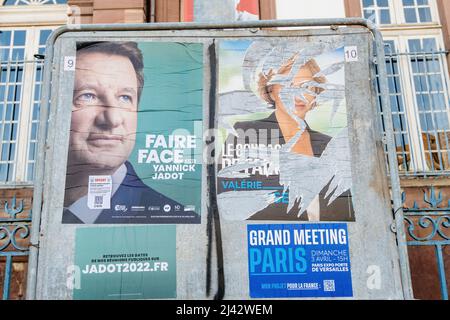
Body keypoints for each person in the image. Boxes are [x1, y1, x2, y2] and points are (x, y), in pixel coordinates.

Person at [62, 41, 198, 224]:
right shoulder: (44, 209)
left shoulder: (180, 222)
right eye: (88, 96)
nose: (112, 119)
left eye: (125, 98)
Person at [218, 53, 354, 221]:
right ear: (271, 91)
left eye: (307, 86)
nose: (299, 96)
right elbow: (225, 202)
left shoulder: (330, 145)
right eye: (288, 85)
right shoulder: (244, 134)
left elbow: (345, 209)